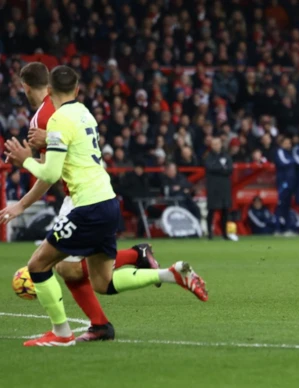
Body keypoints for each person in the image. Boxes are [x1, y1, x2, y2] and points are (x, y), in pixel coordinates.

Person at [2, 65, 208, 347]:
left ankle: (62, 333)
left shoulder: (52, 119)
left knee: (40, 265)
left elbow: (49, 173)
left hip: (83, 203)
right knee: (100, 281)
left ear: (38, 88)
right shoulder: (84, 111)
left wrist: (25, 161)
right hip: (106, 199)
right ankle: (167, 274)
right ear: (76, 90)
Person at [204, 136, 235, 241]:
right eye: (214, 144)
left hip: (225, 187)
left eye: (217, 144)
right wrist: (222, 168)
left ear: (221, 144)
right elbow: (210, 167)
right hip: (213, 187)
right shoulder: (208, 156)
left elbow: (230, 169)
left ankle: (224, 234)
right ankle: (209, 233)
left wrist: (219, 169)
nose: (216, 146)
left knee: (225, 211)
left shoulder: (226, 156)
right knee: (211, 210)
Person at [274, 137, 296, 236]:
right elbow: (284, 162)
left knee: (287, 206)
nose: (288, 145)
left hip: (290, 182)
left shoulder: (289, 153)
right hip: (283, 182)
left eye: (289, 143)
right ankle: (277, 229)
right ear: (281, 144)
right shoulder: (280, 151)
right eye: (286, 143)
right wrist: (292, 160)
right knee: (280, 205)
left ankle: (287, 228)